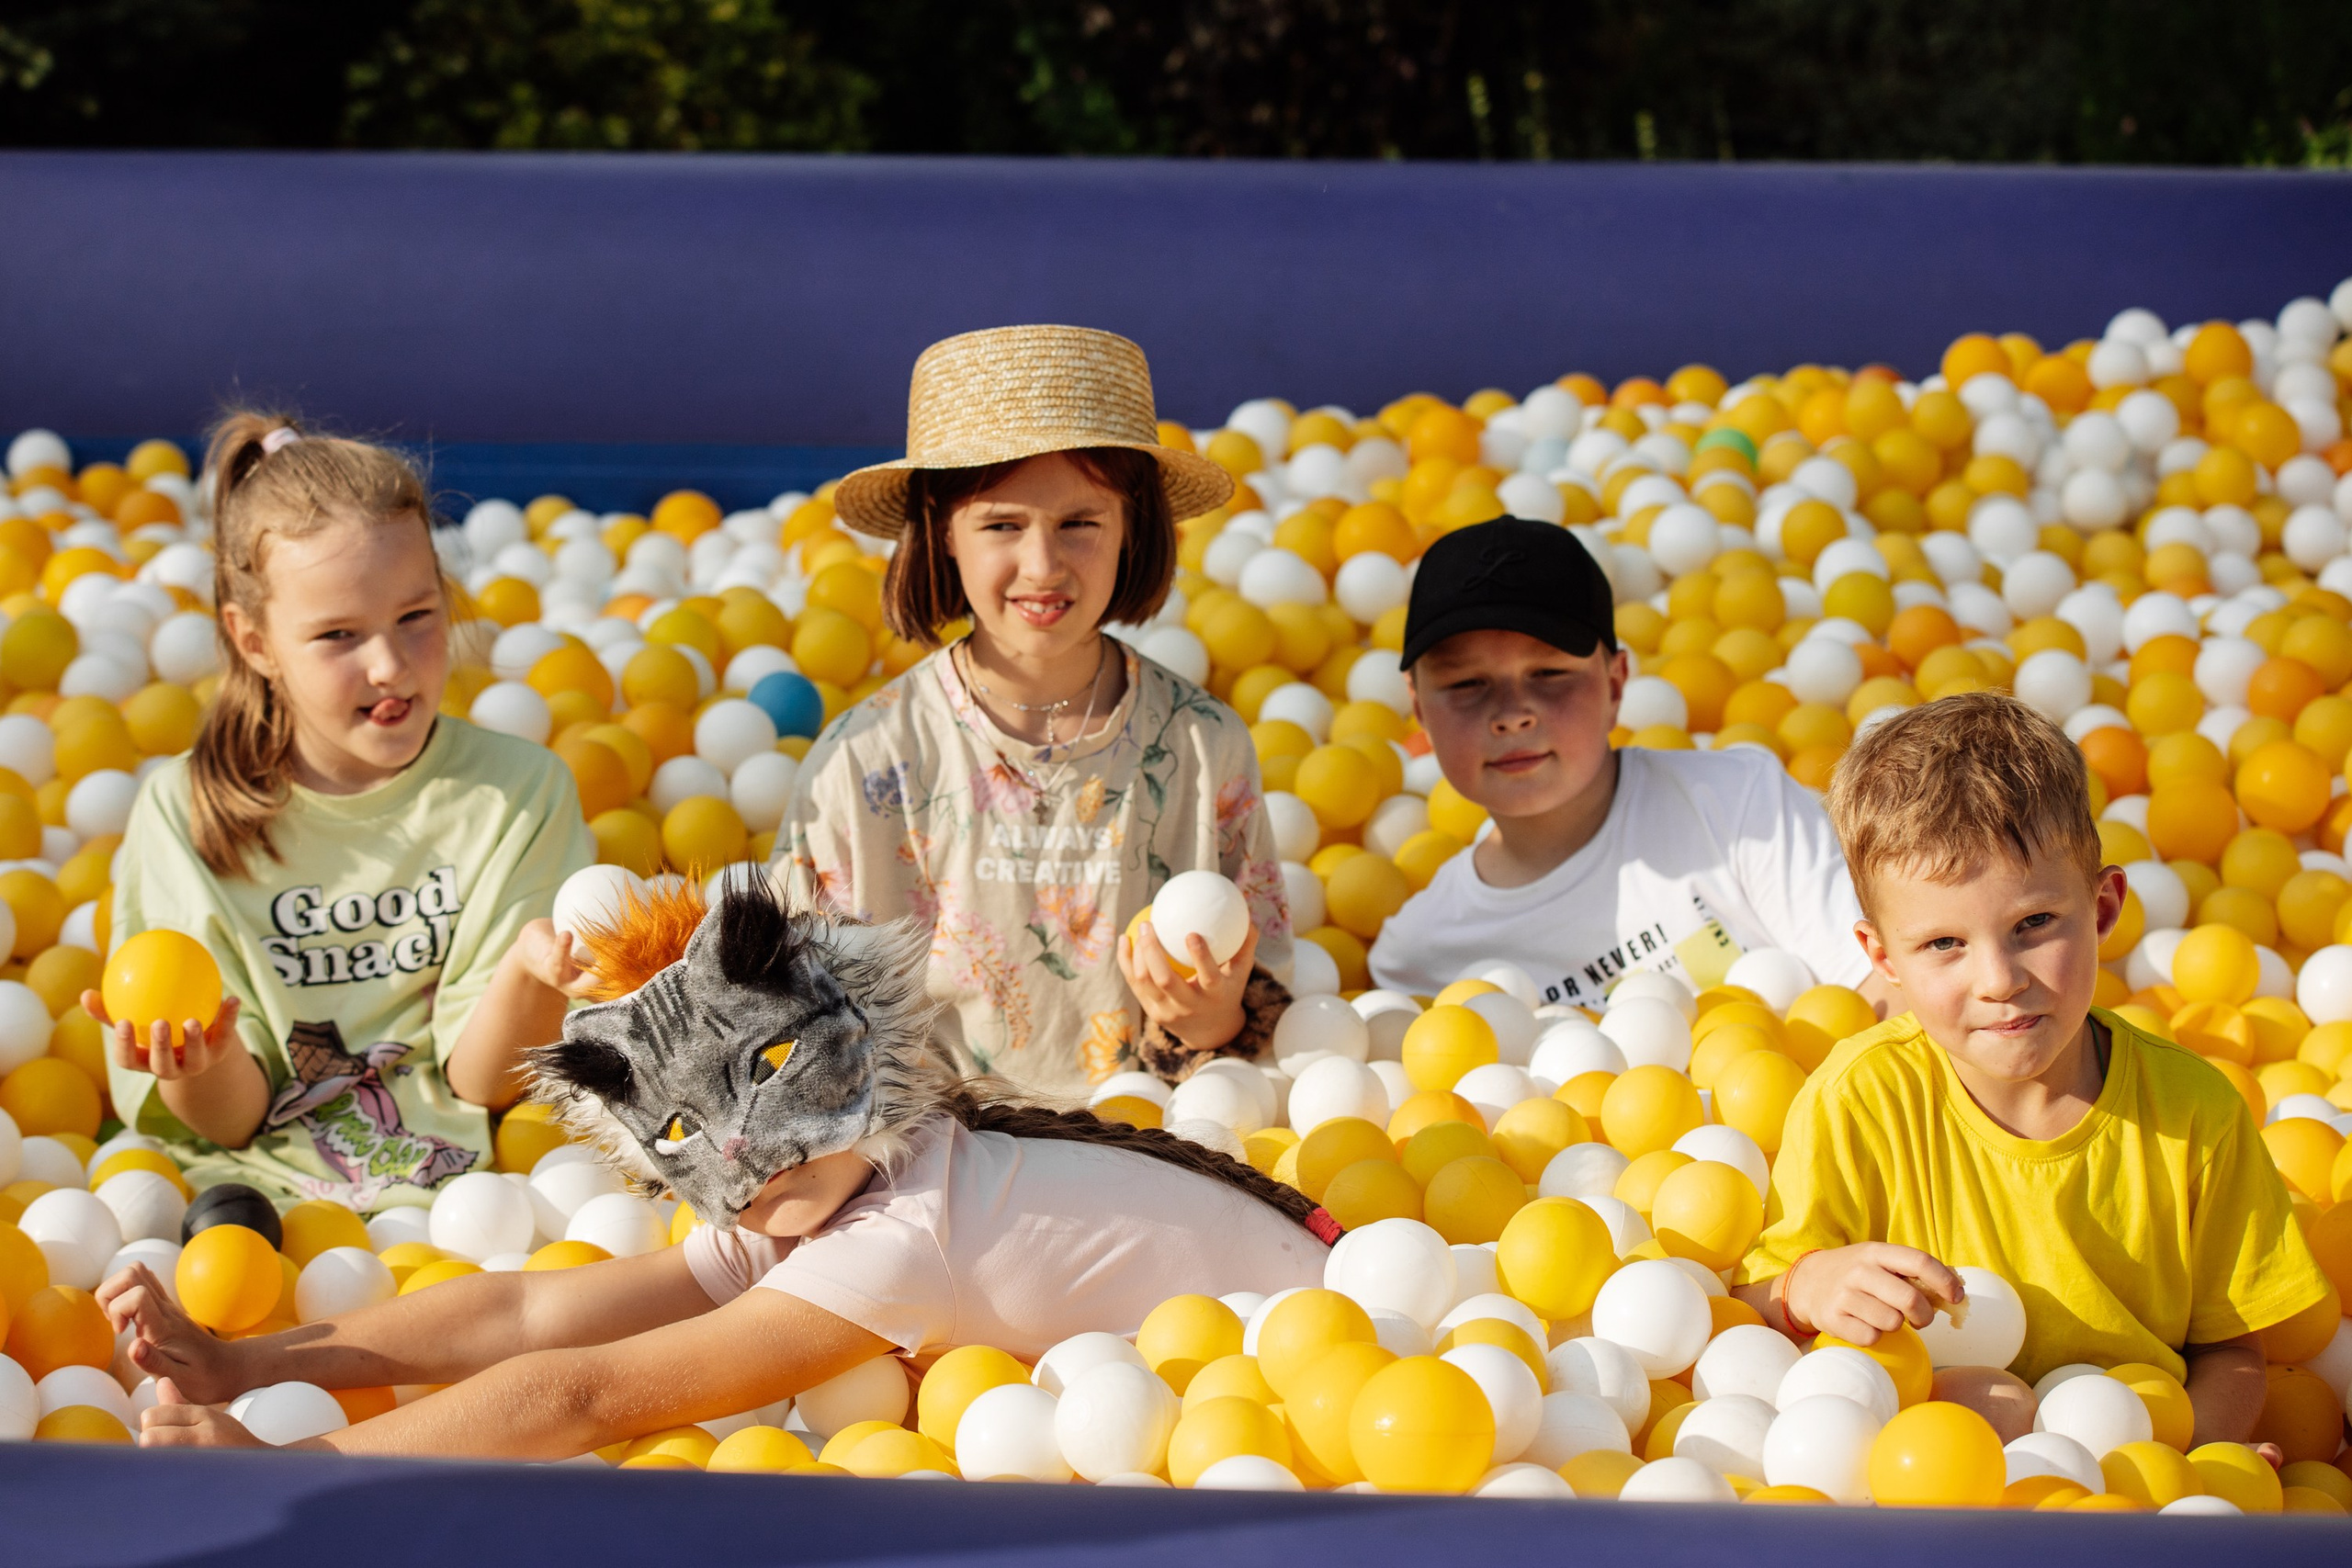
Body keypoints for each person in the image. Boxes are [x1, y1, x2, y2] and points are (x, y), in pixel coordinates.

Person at [102, 881, 1331, 1461]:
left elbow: (590, 1393)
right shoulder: (822, 1183)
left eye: (772, 1079)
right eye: (692, 1129)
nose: (743, 1155)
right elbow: (527, 1310)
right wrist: (249, 1362)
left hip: (1310, 1356)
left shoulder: (895, 1239)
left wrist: (295, 1470)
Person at [1730, 692, 2330, 1448]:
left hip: (2138, 1456)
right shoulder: (1860, 1100)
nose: (1999, 979)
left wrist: (2190, 1457)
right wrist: (1806, 1287)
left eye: (2034, 924)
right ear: (1883, 957)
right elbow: (1755, 1306)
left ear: (2103, 908)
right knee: (1993, 1403)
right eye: (1944, 943)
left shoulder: (2194, 1111)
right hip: (1937, 1465)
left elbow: (2232, 1351)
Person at [96, 414, 595, 1212]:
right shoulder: (187, 814)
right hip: (237, 1202)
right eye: (337, 634)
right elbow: (234, 1121)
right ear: (254, 641)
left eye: (416, 616)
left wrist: (532, 979)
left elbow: (483, 1083)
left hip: (470, 1206)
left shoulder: (517, 793)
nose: (390, 665)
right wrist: (197, 1061)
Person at [777, 325, 1291, 1093]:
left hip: (1152, 1139)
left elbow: (1265, 1007)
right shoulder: (864, 762)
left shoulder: (1201, 747)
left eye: (1080, 523)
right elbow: (793, 1028)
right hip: (932, 1148)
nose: (1043, 565)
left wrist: (1210, 1023)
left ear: (1131, 527)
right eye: (1002, 525)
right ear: (943, 531)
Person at [1366, 517, 1885, 1010]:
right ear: (1419, 708)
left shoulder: (1741, 807)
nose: (1512, 714)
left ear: (1615, 685)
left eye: (1548, 673)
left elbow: (1888, 994)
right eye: (1466, 684)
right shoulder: (1419, 959)